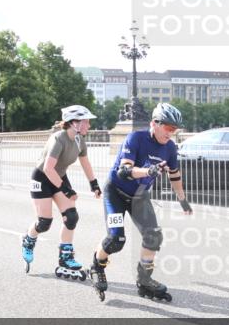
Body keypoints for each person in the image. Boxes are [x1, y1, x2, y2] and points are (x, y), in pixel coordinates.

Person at [90, 102, 192, 302]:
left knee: (154, 237)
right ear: (155, 123)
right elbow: (124, 171)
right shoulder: (135, 138)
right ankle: (97, 264)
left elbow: (175, 175)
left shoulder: (170, 148)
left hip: (139, 196)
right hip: (116, 193)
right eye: (169, 127)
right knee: (116, 240)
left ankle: (144, 280)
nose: (171, 133)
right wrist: (148, 171)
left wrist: (183, 200)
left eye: (175, 129)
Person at [21, 105, 103, 279]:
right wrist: (66, 189)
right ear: (74, 123)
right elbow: (48, 168)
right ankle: (29, 239)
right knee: (44, 223)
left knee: (71, 216)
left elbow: (85, 162)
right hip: (42, 178)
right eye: (86, 121)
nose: (89, 125)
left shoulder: (80, 140)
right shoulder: (58, 139)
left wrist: (94, 184)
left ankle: (65, 257)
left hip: (59, 177)